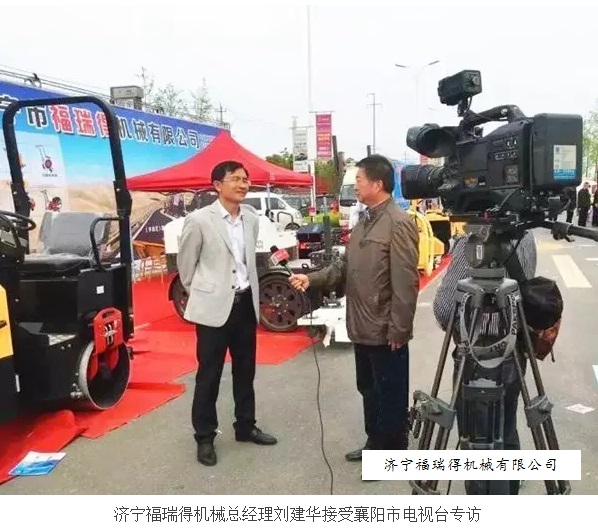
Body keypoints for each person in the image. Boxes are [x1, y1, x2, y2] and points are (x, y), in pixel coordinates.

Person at [288, 154, 420, 460]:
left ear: (377, 183)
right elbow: (341, 268)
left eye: (359, 180)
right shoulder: (364, 222)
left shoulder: (398, 223)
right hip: (361, 325)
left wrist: (399, 329)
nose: (356, 186)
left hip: (386, 330)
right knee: (369, 389)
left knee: (390, 393)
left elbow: (405, 283)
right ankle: (375, 443)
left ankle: (392, 451)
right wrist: (310, 278)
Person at [177, 160, 277, 467]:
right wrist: (208, 292)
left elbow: (247, 261)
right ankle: (204, 436)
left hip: (245, 304)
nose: (243, 184)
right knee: (209, 375)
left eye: (245, 179)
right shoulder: (199, 220)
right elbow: (186, 267)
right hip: (214, 308)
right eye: (235, 179)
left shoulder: (251, 217)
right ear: (217, 185)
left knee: (245, 371)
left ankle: (245, 426)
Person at [433, 227, 537, 495]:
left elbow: (445, 309)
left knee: (476, 438)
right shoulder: (525, 237)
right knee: (506, 425)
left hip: (475, 359)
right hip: (514, 354)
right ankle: (509, 489)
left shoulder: (472, 242)